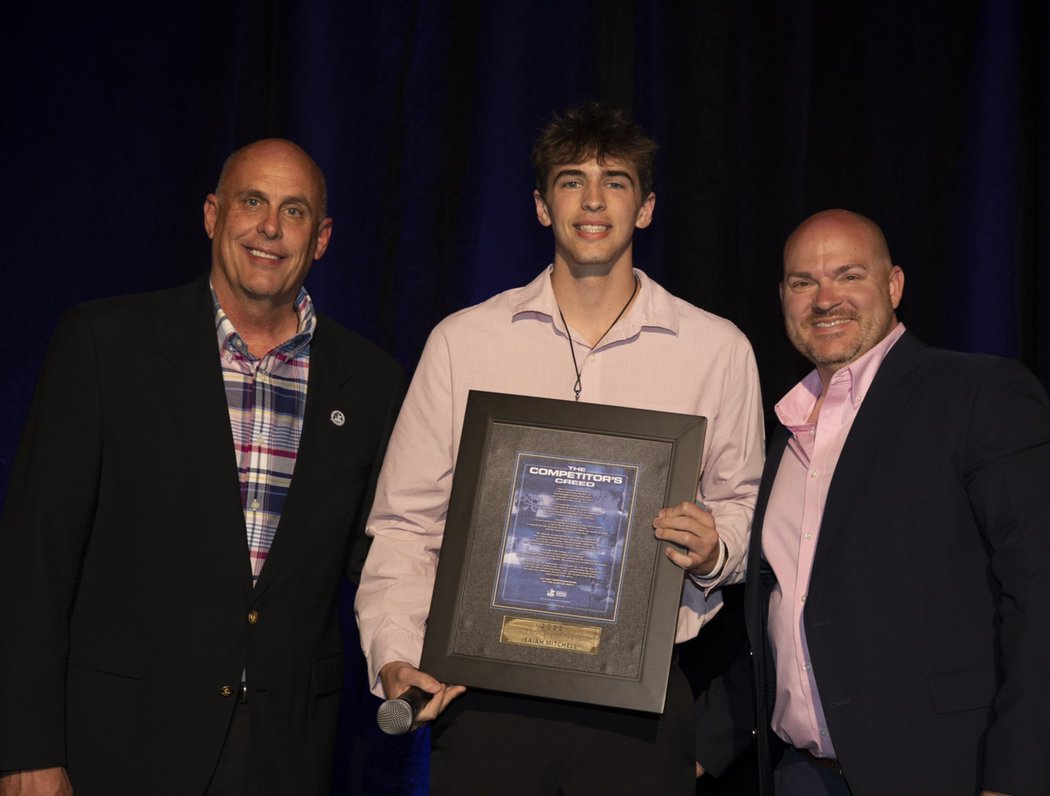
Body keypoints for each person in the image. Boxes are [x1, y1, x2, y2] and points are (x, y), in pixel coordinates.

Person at [355, 102, 764, 794]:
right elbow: (406, 525)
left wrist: (715, 547)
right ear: (543, 206)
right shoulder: (464, 342)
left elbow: (744, 507)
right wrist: (395, 654)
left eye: (616, 181)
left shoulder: (716, 350)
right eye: (572, 181)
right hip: (485, 697)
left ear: (646, 208)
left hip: (641, 702)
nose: (593, 200)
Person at [0, 139, 406, 794]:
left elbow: (387, 556)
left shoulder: (371, 383)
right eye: (253, 202)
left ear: (322, 238)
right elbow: (34, 559)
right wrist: (26, 750)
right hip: (118, 745)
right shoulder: (107, 345)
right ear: (213, 215)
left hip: (284, 754)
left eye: (294, 211)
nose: (270, 228)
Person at [694, 209, 1050, 795]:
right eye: (804, 282)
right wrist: (692, 751)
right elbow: (786, 623)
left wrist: (1018, 781)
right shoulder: (785, 435)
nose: (825, 299)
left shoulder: (980, 395)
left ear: (893, 286)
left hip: (956, 773)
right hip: (805, 777)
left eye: (849, 275)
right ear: (782, 297)